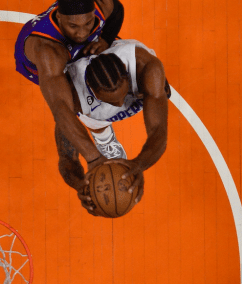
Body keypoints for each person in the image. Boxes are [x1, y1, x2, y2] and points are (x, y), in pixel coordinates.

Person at [14, 0, 125, 171]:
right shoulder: (47, 51)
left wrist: (106, 40)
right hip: (46, 65)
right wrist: (93, 158)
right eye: (73, 26)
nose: (82, 33)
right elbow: (61, 108)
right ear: (59, 18)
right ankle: (104, 137)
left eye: (88, 23)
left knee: (120, 58)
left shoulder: (100, 4)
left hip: (75, 51)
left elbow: (117, 10)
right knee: (78, 102)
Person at [60, 39, 170, 215]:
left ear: (126, 71)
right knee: (96, 124)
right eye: (112, 101)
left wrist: (139, 164)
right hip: (92, 110)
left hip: (140, 89)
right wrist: (81, 184)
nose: (120, 104)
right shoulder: (72, 95)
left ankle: (132, 95)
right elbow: (67, 158)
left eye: (122, 95)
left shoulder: (146, 67)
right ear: (91, 90)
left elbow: (159, 131)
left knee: (158, 88)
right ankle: (105, 140)